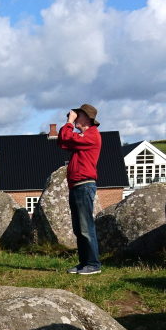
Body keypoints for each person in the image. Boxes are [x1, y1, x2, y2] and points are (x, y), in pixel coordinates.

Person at [57, 103, 102, 275]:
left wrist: (69, 121)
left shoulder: (92, 135)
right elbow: (62, 141)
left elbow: (67, 138)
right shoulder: (84, 136)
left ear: (87, 118)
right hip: (77, 185)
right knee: (79, 228)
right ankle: (85, 263)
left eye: (78, 115)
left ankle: (93, 264)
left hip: (84, 184)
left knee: (85, 227)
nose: (75, 117)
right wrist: (69, 124)